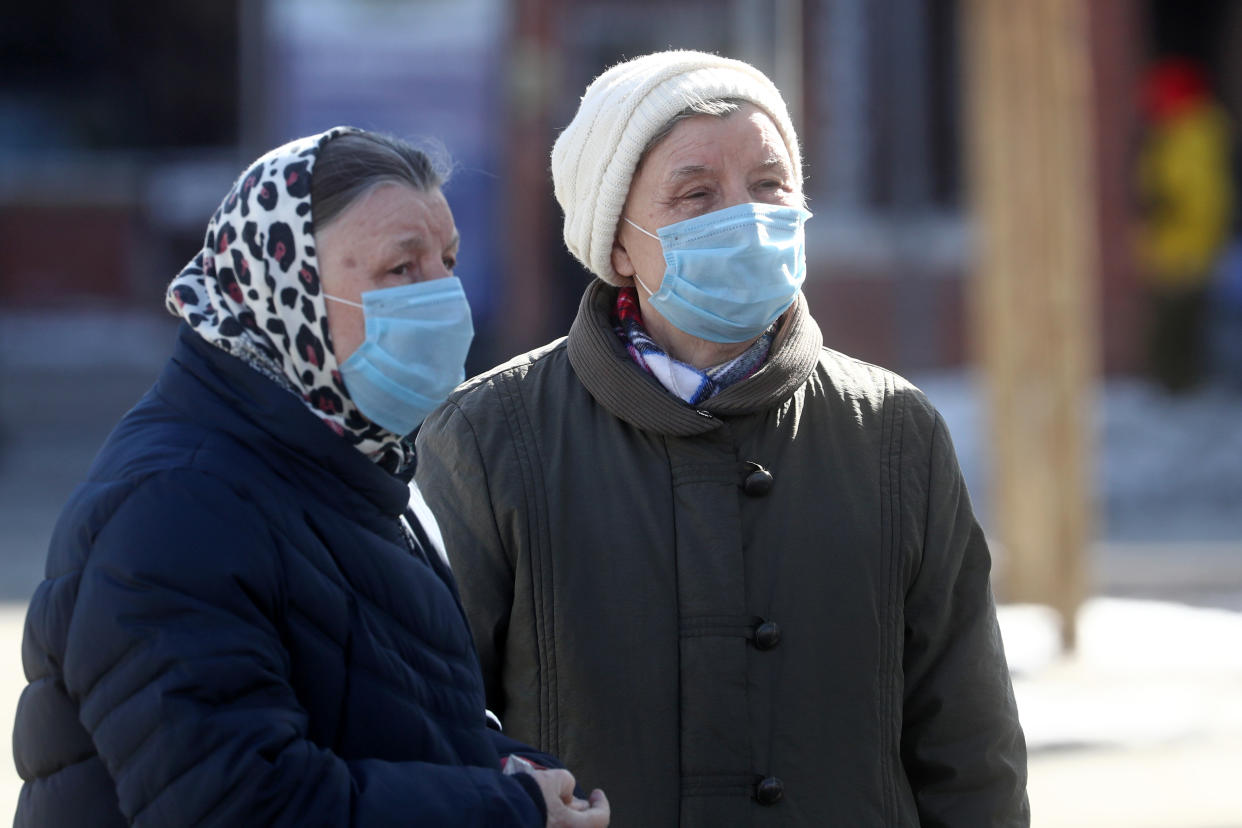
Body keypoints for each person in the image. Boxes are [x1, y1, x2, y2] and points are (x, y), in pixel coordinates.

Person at [416, 51, 1029, 826]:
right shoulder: (489, 440)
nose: (744, 215)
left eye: (769, 184)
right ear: (615, 246)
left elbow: (969, 748)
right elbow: (440, 735)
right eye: (695, 193)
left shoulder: (895, 432)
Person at [11, 127, 609, 828]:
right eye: (400, 270)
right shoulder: (176, 504)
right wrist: (504, 812)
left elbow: (387, 717)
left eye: (446, 261)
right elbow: (238, 805)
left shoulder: (356, 467)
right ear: (281, 289)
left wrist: (508, 772)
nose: (443, 299)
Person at [1136, 56, 1234, 392]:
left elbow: (1204, 199)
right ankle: (1174, 386)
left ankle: (1178, 385)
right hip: (1175, 243)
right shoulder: (1177, 131)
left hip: (1186, 247)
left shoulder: (1194, 135)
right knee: (1176, 321)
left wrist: (1173, 218)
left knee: (1178, 323)